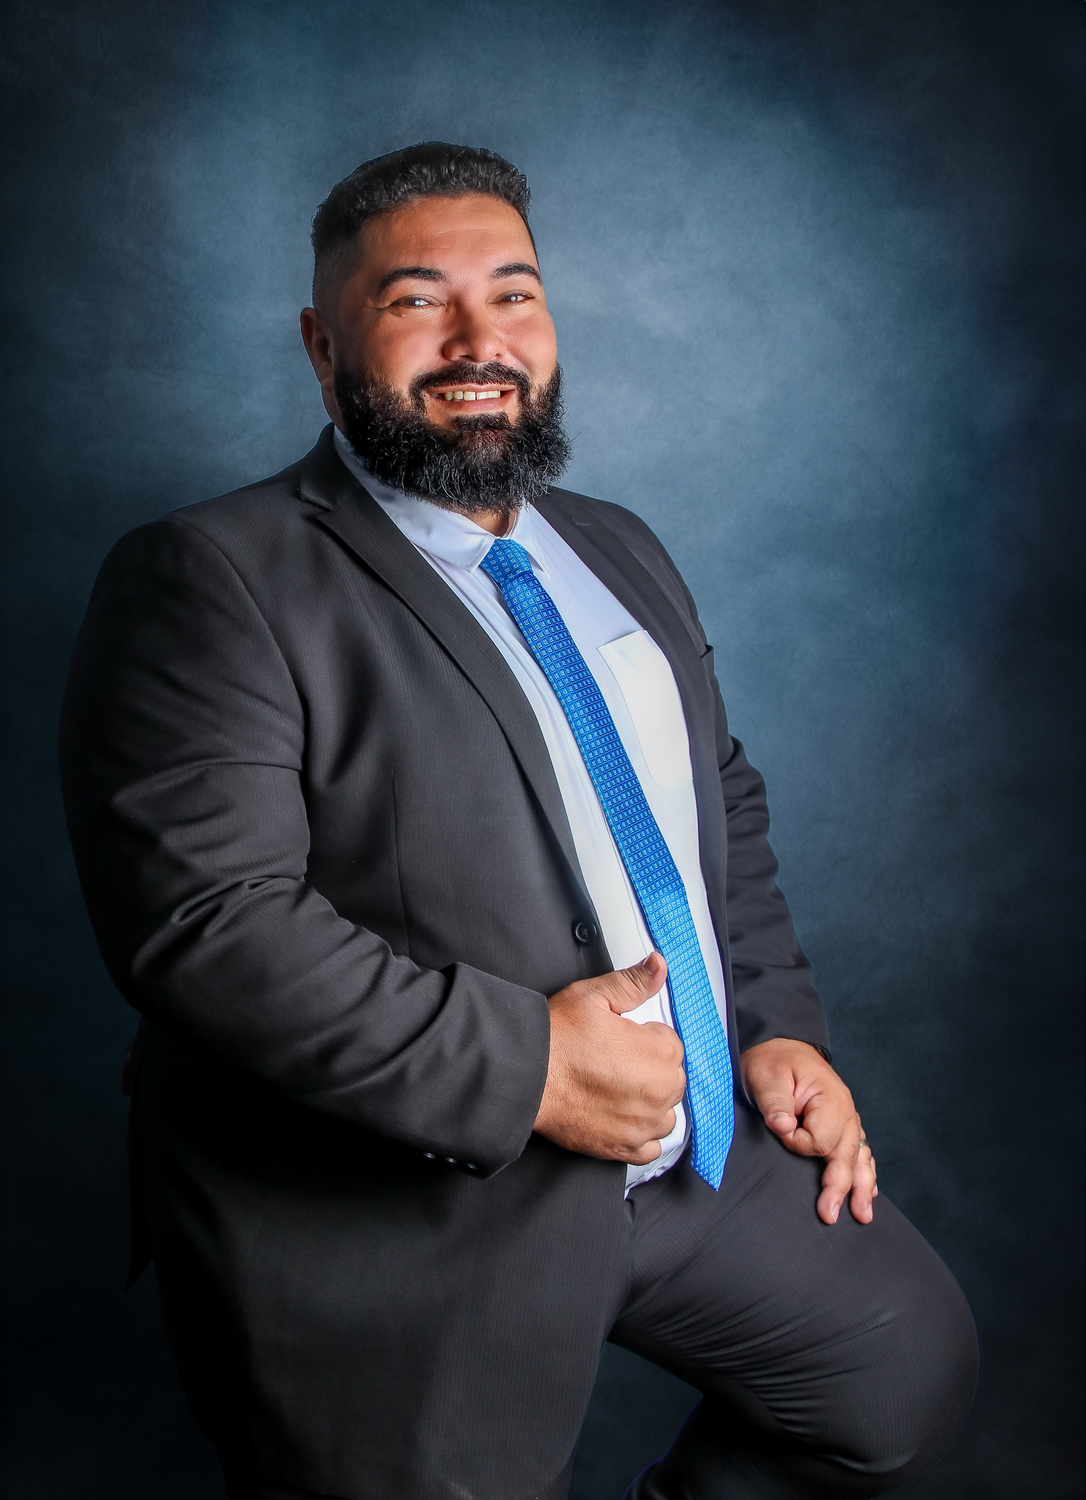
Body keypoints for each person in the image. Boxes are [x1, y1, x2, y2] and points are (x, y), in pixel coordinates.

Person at [59, 143, 977, 1500]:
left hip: (690, 1151)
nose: (477, 340)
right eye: (415, 300)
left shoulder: (617, 545)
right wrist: (533, 1068)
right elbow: (208, 925)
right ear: (322, 346)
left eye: (513, 294)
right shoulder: (210, 575)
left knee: (898, 1377)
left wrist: (776, 1029)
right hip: (400, 1206)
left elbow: (712, 797)